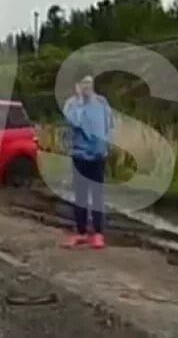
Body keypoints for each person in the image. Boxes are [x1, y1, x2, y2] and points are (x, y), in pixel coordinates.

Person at [62, 74, 113, 249]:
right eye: (84, 83)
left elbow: (109, 123)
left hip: (99, 156)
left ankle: (98, 234)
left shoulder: (102, 102)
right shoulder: (72, 104)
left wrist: (105, 144)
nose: (87, 86)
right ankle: (81, 232)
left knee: (97, 196)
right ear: (77, 85)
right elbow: (75, 121)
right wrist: (80, 101)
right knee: (81, 196)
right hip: (80, 156)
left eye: (90, 83)